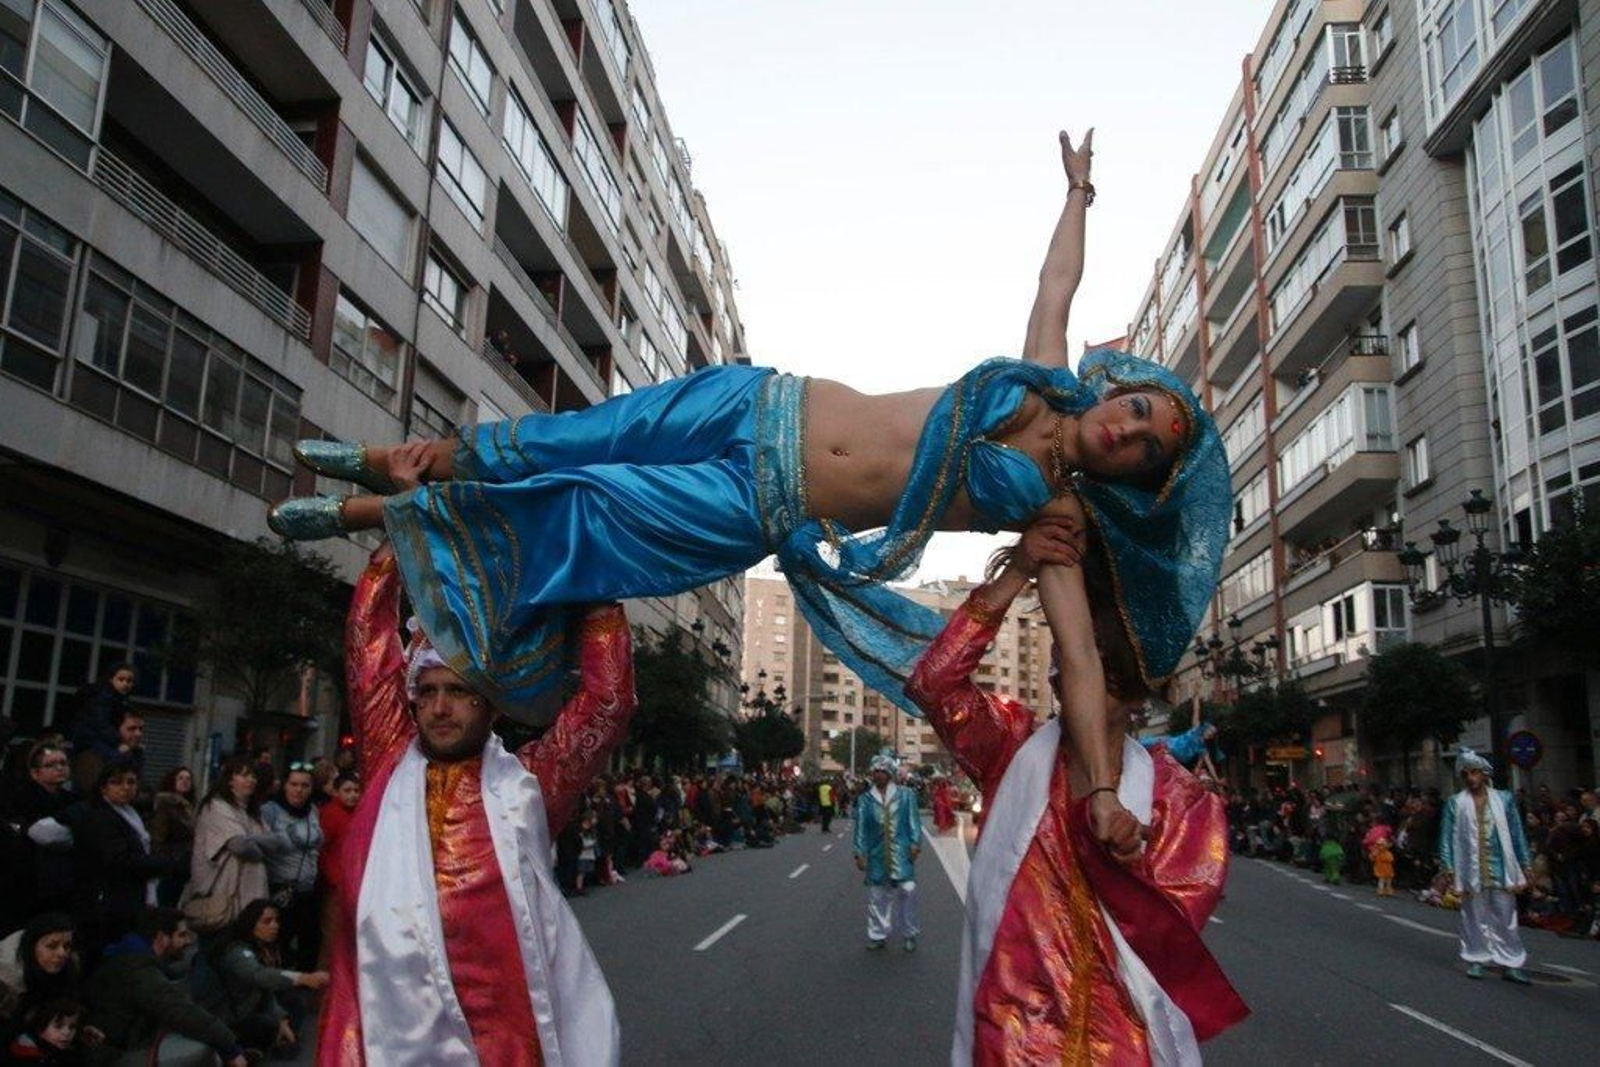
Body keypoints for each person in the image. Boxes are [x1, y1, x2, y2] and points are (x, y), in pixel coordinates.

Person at [269, 131, 1230, 857]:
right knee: (579, 435)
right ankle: (397, 459)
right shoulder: (1044, 375)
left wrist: (1103, 789)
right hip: (759, 399)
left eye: (1146, 451)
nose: (1130, 430)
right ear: (1122, 388)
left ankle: (372, 514)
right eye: (1139, 408)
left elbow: (1080, 663)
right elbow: (1056, 279)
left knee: (579, 513)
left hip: (761, 502)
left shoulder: (1050, 517)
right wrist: (1079, 192)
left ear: (1136, 481)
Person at [906, 522, 1247, 1064]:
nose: (1082, 677)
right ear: (1055, 680)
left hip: (1122, 1041)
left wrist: (1127, 859)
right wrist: (1017, 570)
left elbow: (1177, 926)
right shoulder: (1009, 747)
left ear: (1136, 693)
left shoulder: (1181, 800)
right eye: (1069, 662)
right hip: (1012, 1036)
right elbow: (934, 684)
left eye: (1104, 671)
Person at [316, 543, 637, 1064]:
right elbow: (368, 645)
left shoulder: (531, 786)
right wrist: (404, 533)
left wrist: (596, 594)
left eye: (460, 692)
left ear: (490, 705)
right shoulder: (388, 765)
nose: (440, 708)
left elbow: (607, 704)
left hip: (498, 1044)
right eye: (428, 691)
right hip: (381, 1039)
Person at [83, 907, 248, 1067]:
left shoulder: (134, 959)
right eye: (182, 935)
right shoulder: (138, 970)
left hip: (126, 1043)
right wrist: (230, 1048)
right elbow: (178, 1009)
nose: (188, 941)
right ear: (162, 937)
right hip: (118, 1053)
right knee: (200, 1050)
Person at [72, 763, 186, 958]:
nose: (125, 787)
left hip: (129, 900)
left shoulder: (131, 813)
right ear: (103, 787)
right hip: (109, 905)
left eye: (131, 782)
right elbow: (119, 861)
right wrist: (164, 863)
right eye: (117, 782)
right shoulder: (100, 817)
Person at [1439, 747, 1533, 983]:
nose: (1471, 778)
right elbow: (1446, 837)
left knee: (1506, 916)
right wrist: (1448, 867)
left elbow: (1516, 833)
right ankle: (1477, 958)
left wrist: (1526, 863)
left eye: (1475, 773)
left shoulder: (1504, 799)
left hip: (1502, 867)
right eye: (1466, 774)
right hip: (1470, 869)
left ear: (1485, 774)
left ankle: (1510, 962)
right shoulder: (1455, 803)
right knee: (1473, 916)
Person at [198, 899, 328, 1057]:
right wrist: (302, 978)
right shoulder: (236, 951)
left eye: (276, 921)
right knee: (267, 1024)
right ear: (251, 923)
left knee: (294, 1002)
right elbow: (259, 976)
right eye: (267, 921)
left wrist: (281, 1017)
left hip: (251, 1001)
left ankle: (279, 1039)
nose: (275, 926)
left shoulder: (264, 946)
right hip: (230, 1013)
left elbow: (267, 988)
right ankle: (247, 1048)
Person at [181, 758, 276, 939]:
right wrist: (261, 848)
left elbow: (273, 842)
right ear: (230, 780)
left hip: (250, 898)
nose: (251, 780)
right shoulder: (216, 807)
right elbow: (239, 845)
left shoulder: (253, 811)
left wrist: (259, 844)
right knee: (215, 951)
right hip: (222, 897)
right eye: (244, 775)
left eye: (254, 776)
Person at [852, 751, 922, 953]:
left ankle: (910, 933)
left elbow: (913, 823)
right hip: (876, 856)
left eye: (882, 771)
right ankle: (877, 936)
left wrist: (915, 843)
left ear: (889, 773)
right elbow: (861, 829)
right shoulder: (866, 800)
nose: (878, 775)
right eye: (875, 771)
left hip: (901, 855)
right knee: (877, 897)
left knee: (908, 891)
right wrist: (859, 853)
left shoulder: (906, 795)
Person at [259, 765, 324, 971]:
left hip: (307, 890)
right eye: (294, 784)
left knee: (311, 940)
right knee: (281, 940)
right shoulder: (271, 810)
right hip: (279, 888)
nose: (299, 790)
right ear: (284, 786)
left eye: (305, 785)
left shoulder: (312, 811)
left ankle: (304, 986)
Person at [0, 914, 82, 1046]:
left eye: (67, 946)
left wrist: (82, 1030)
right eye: (52, 946)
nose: (62, 953)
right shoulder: (6, 980)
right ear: (31, 947)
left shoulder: (67, 969)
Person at [69, 664, 137, 795]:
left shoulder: (119, 698)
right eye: (121, 679)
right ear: (111, 679)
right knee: (117, 759)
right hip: (89, 739)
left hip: (94, 738)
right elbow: (102, 724)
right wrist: (118, 742)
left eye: (129, 681)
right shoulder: (104, 697)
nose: (125, 684)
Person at [150, 767, 197, 907]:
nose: (185, 781)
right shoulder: (165, 804)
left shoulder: (189, 807)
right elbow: (158, 835)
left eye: (188, 779)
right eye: (180, 778)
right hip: (171, 863)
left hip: (182, 864)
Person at [6, 995, 81, 1063]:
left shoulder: (57, 1052)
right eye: (58, 1026)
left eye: (72, 1027)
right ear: (41, 1025)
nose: (67, 1032)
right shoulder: (25, 1054)